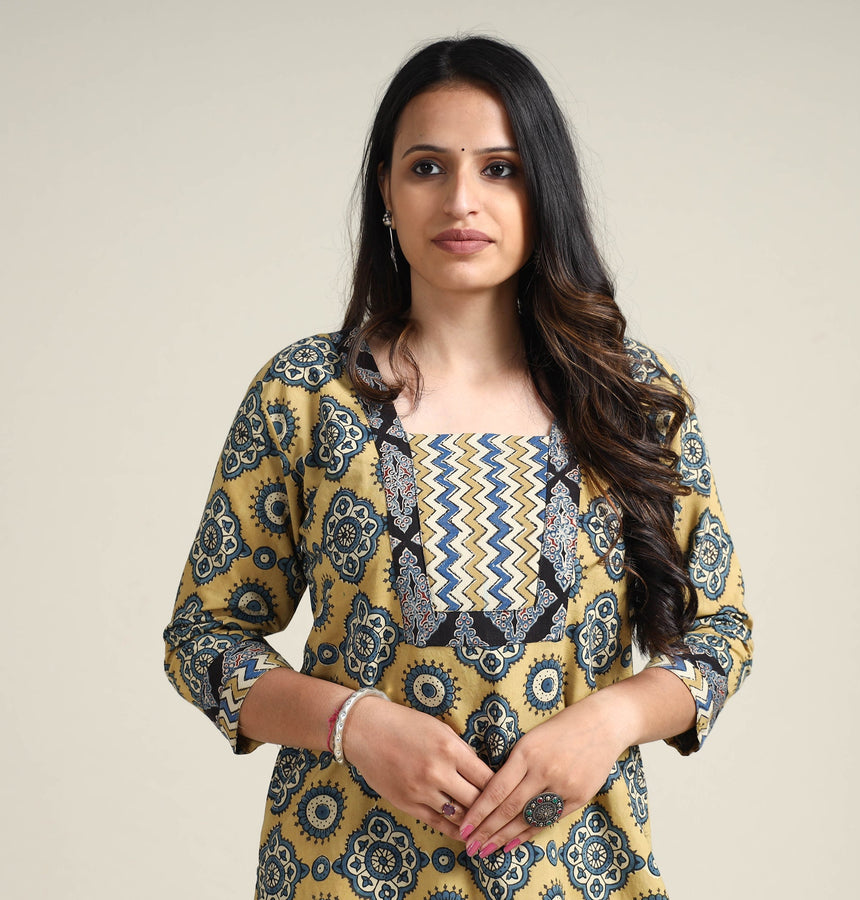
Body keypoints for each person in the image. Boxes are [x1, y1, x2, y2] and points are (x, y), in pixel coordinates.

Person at [163, 35, 752, 900]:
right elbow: (203, 638)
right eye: (428, 167)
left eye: (501, 169)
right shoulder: (305, 395)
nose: (461, 200)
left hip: (583, 877)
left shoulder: (631, 397)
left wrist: (611, 718)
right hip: (340, 871)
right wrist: (353, 723)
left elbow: (721, 634)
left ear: (545, 190)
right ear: (386, 192)